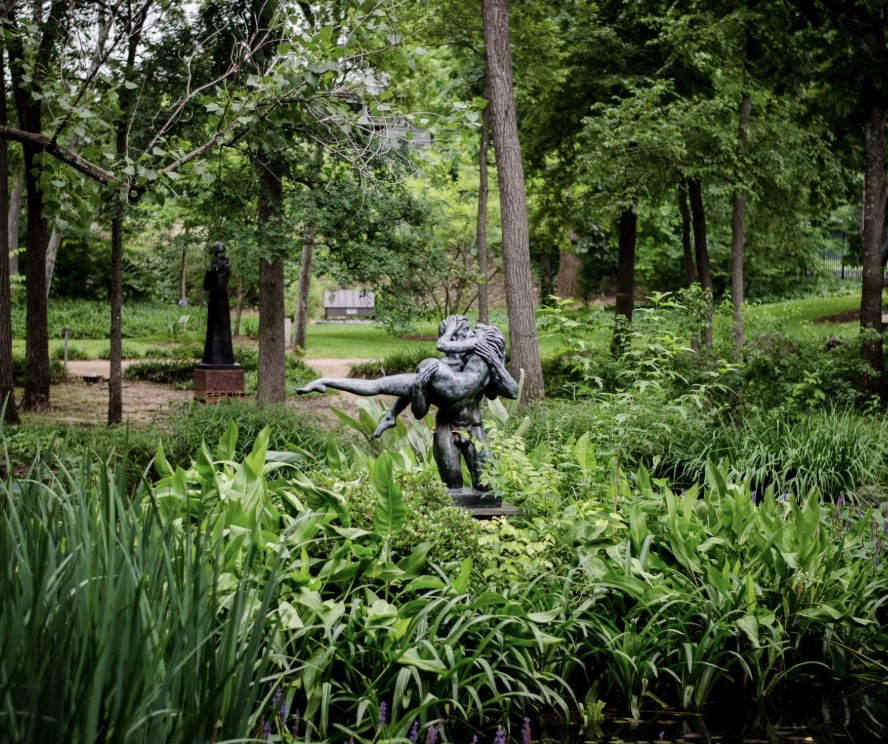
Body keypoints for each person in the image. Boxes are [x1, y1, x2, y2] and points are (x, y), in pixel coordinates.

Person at [296, 315, 518, 489]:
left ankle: (486, 528)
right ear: (456, 339)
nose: (470, 336)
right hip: (446, 429)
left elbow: (509, 391)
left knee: (487, 486)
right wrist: (416, 390)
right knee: (453, 487)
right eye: (466, 333)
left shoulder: (480, 365)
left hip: (474, 429)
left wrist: (496, 363)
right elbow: (411, 406)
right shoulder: (438, 371)